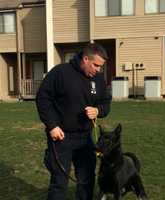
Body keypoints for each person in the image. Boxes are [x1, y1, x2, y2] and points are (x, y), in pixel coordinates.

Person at [36, 43, 111, 200]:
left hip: (85, 138)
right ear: (85, 59)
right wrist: (52, 125)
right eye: (96, 65)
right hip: (61, 137)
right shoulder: (61, 73)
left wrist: (98, 111)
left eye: (101, 66)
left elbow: (105, 103)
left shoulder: (98, 79)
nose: (98, 70)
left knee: (86, 180)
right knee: (59, 182)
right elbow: (43, 98)